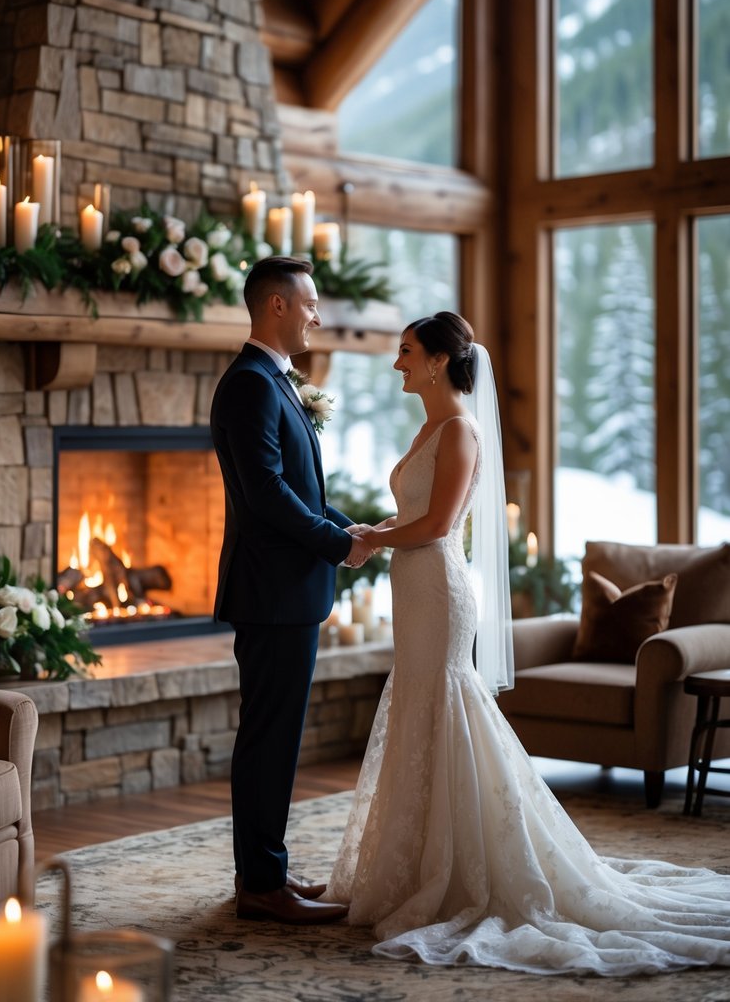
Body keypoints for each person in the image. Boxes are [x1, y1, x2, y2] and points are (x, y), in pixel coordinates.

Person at [326, 310, 730, 974]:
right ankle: (413, 862)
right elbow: (415, 515)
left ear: (435, 361)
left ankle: (464, 867)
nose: (396, 363)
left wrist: (369, 539)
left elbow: (438, 523)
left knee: (445, 703)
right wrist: (378, 530)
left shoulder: (458, 429)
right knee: (418, 707)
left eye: (405, 352)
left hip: (437, 589)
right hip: (412, 588)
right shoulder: (427, 425)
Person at [211, 255, 370, 925]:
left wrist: (347, 524)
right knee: (268, 740)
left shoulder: (272, 382)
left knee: (275, 739)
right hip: (273, 595)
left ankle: (266, 873)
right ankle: (260, 888)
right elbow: (266, 495)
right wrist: (337, 543)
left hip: (287, 591)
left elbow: (300, 493)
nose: (315, 316)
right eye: (307, 304)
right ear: (275, 306)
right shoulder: (249, 384)